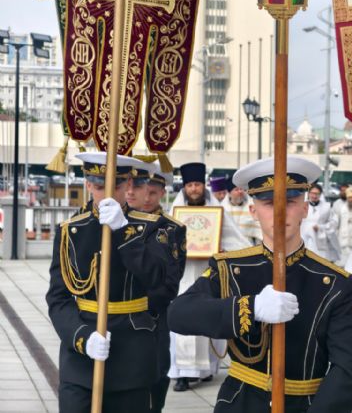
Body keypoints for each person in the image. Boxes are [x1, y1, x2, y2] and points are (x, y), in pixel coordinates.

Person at [168, 156, 352, 412]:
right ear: (253, 212)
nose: (280, 212)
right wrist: (251, 308)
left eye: (290, 202)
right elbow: (179, 314)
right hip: (242, 402)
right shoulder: (230, 268)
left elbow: (346, 369)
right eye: (269, 203)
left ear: (305, 209)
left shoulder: (335, 282)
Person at [46, 152, 172, 413]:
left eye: (115, 186)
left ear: (128, 185)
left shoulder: (153, 228)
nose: (107, 194)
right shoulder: (70, 231)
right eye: (99, 186)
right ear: (88, 184)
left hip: (132, 355)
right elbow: (58, 298)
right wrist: (82, 336)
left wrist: (124, 231)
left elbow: (159, 283)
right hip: (81, 357)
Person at [168, 163, 250, 392]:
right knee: (184, 320)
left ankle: (206, 370)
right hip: (184, 275)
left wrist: (222, 251)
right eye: (190, 185)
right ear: (184, 188)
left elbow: (235, 240)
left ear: (203, 187)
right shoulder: (176, 213)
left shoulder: (216, 211)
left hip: (208, 273)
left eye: (197, 184)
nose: (194, 189)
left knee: (208, 318)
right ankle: (183, 374)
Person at [128, 161, 187, 413]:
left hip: (154, 316)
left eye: (153, 192)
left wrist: (144, 305)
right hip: (120, 317)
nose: (146, 197)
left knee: (157, 374)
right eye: (143, 190)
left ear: (162, 192)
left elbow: (171, 280)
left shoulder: (172, 228)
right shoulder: (120, 223)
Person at [301, 183, 341, 262]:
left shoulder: (326, 207)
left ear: (320, 194)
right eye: (312, 193)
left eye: (317, 194)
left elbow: (334, 222)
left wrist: (321, 227)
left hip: (320, 242)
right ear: (308, 193)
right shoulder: (302, 206)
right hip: (303, 240)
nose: (314, 196)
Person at [221, 178, 262, 245]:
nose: (240, 191)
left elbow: (259, 232)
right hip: (228, 247)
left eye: (241, 189)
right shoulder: (223, 209)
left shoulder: (252, 208)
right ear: (229, 193)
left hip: (248, 246)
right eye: (236, 189)